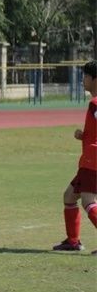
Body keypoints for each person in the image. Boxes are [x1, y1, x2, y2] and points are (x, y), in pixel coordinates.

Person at [54, 60, 97, 252]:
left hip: (93, 161)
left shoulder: (96, 103)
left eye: (85, 76)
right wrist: (84, 135)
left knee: (89, 202)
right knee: (69, 196)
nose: (83, 80)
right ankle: (73, 241)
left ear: (95, 80)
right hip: (87, 161)